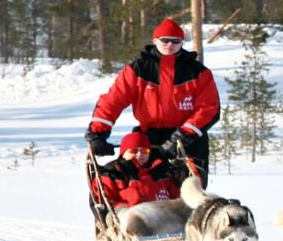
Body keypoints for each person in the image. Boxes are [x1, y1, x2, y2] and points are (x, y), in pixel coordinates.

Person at [84, 18, 220, 185]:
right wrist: (98, 134)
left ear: (181, 42)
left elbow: (209, 109)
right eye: (165, 40)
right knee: (144, 185)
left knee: (190, 192)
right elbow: (113, 101)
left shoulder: (198, 72)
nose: (169, 45)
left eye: (175, 41)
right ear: (155, 40)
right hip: (149, 137)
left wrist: (183, 136)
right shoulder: (138, 69)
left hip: (189, 140)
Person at [93, 130, 183, 210]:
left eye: (145, 151)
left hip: (164, 219)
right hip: (131, 220)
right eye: (133, 151)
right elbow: (106, 201)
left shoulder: (163, 170)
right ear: (123, 153)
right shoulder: (112, 172)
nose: (140, 154)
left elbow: (176, 197)